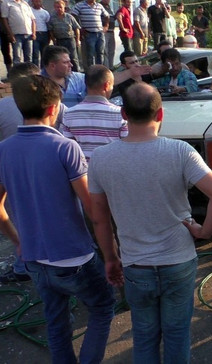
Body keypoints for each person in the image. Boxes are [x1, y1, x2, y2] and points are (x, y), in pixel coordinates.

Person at [89, 82, 212, 363]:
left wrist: (110, 258)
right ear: (160, 115)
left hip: (135, 265)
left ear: (124, 115)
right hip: (178, 261)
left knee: (144, 334)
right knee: (177, 333)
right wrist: (204, 232)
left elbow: (99, 218)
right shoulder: (180, 152)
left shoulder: (100, 158)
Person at [0, 74, 115, 364]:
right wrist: (111, 256)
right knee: (102, 308)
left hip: (34, 258)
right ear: (54, 109)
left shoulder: (4, 150)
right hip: (74, 258)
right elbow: (93, 211)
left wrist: (18, 241)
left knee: (56, 322)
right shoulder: (65, 147)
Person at [0, 62, 39, 284]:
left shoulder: (4, 106)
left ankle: (23, 264)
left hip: (9, 171)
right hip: (42, 168)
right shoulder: (46, 102)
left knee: (18, 219)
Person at [60, 64, 127, 160]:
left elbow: (69, 150)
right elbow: (127, 147)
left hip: (85, 172)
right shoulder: (120, 114)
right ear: (107, 85)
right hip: (113, 170)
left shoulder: (68, 114)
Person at [71, 0, 110, 67]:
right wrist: (79, 27)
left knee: (100, 53)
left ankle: (100, 70)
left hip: (100, 33)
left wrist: (106, 26)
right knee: (90, 54)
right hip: (89, 33)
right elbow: (73, 15)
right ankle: (92, 71)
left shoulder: (99, 5)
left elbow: (107, 15)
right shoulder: (80, 5)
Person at [48, 0, 81, 72]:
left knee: (73, 57)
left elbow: (76, 28)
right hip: (59, 40)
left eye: (60, 7)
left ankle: (76, 72)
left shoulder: (69, 17)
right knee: (61, 58)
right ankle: (64, 72)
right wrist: (53, 40)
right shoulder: (52, 18)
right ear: (54, 7)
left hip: (70, 40)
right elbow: (51, 30)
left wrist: (77, 40)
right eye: (57, 7)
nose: (59, 9)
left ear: (64, 7)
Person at [30, 0, 49, 67]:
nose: (37, 3)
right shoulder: (30, 11)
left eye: (39, 1)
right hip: (35, 34)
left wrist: (49, 36)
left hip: (44, 34)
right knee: (35, 54)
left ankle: (44, 71)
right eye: (36, 1)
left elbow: (48, 24)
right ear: (32, 2)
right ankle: (36, 71)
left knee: (44, 54)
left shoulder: (45, 12)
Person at [100, 0, 115, 68]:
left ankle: (111, 68)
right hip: (105, 32)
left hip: (112, 31)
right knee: (105, 51)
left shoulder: (109, 7)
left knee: (111, 51)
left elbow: (112, 18)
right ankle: (106, 68)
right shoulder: (100, 6)